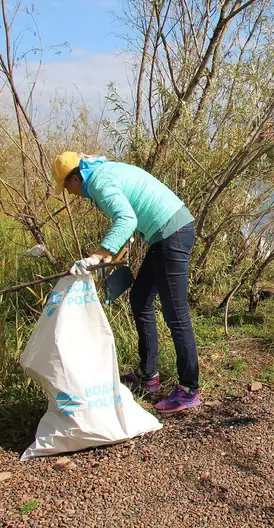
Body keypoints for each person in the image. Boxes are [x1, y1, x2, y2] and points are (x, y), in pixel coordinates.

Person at [52, 151, 201, 413]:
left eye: (66, 185)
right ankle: (148, 375)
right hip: (164, 235)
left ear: (76, 178)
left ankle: (189, 390)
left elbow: (127, 219)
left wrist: (100, 254)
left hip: (172, 234)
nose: (69, 192)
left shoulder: (99, 182)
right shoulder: (102, 171)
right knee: (140, 299)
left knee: (176, 315)